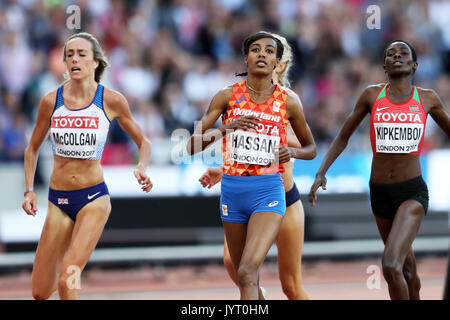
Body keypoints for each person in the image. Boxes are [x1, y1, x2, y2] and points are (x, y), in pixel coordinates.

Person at [309, 40, 450, 300]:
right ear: (384, 65)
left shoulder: (428, 98)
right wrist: (321, 171)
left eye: (403, 53)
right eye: (390, 54)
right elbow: (343, 136)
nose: (397, 56)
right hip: (380, 193)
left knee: (390, 265)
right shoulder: (372, 95)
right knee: (407, 270)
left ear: (414, 65)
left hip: (412, 192)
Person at [21, 32, 152, 300]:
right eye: (69, 55)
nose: (74, 59)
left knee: (68, 279)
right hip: (58, 199)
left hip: (93, 198)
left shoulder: (111, 100)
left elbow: (143, 142)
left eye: (81, 54)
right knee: (40, 292)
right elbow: (32, 148)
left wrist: (142, 167)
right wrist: (29, 189)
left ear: (95, 62)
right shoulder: (50, 101)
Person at [187, 31, 316, 300]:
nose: (263, 55)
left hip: (281, 195)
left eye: (270, 52)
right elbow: (234, 149)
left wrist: (288, 149)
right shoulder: (229, 97)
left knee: (290, 285)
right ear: (245, 57)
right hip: (238, 189)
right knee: (238, 269)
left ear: (279, 63)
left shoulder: (287, 101)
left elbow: (303, 146)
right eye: (256, 50)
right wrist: (223, 158)